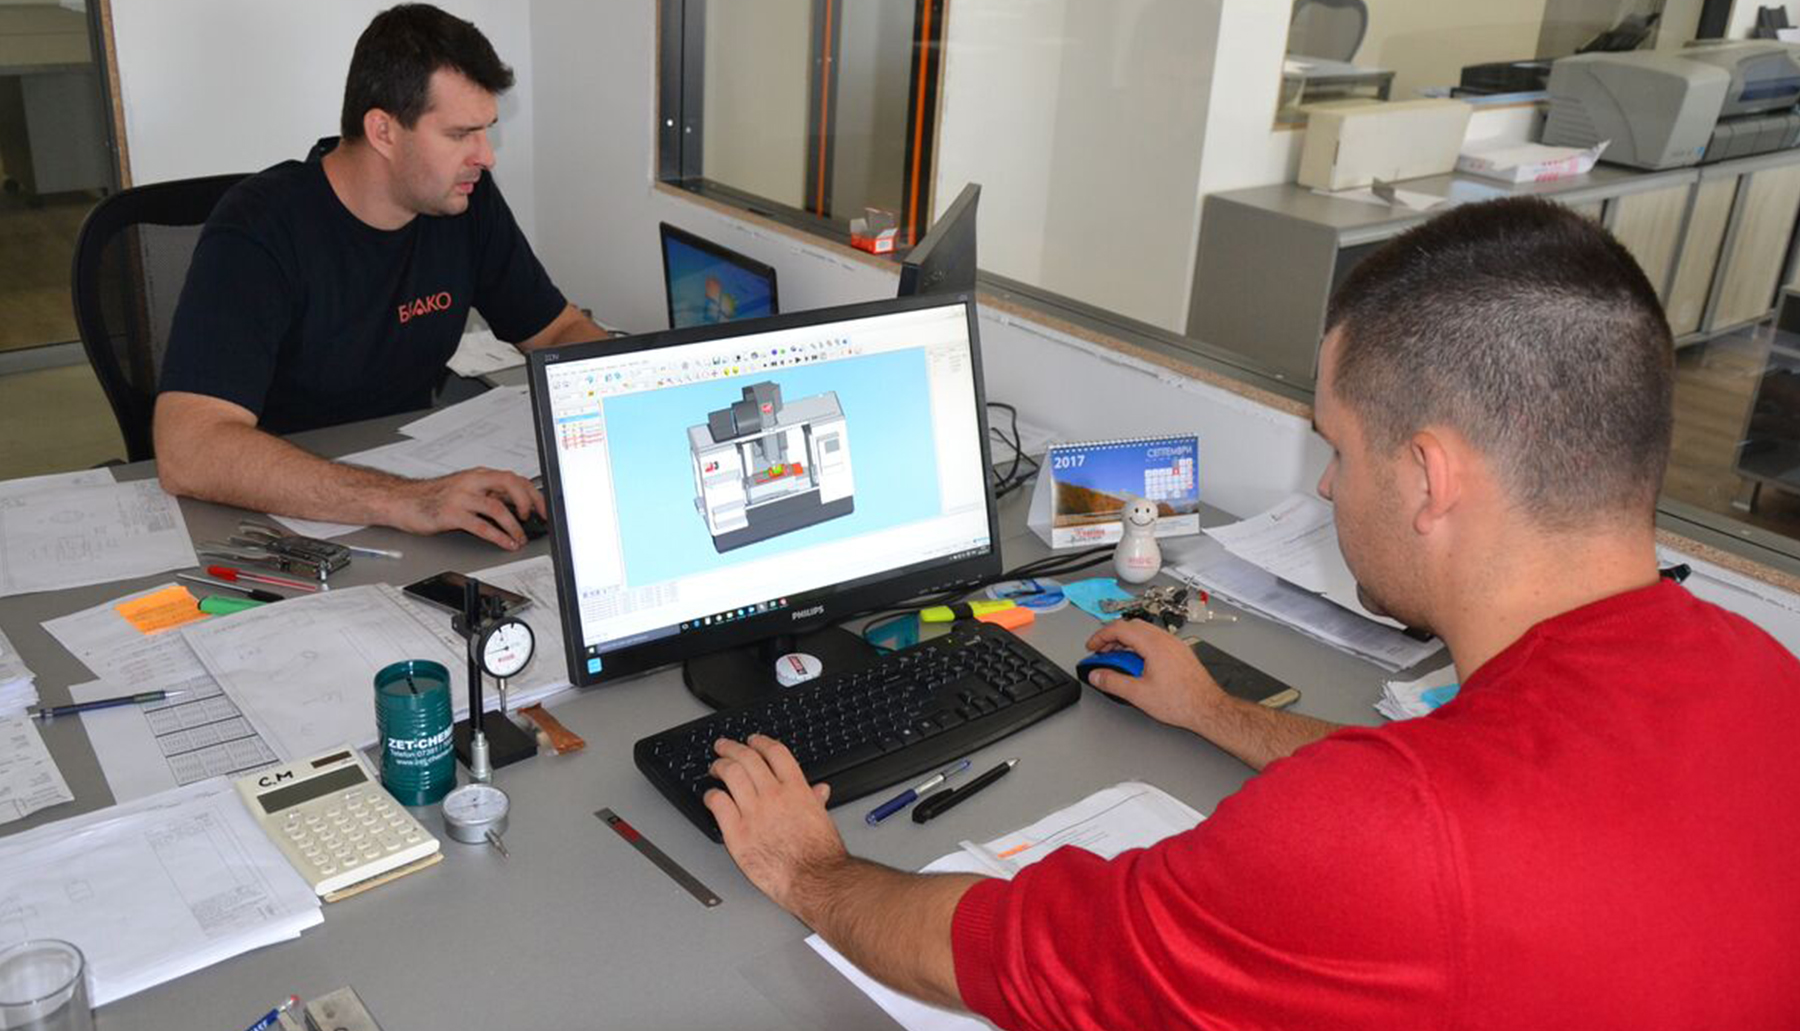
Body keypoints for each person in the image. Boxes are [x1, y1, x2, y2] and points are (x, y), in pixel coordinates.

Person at [703, 196, 1800, 1027]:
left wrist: (812, 870)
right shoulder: (1763, 678)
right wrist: (1218, 713)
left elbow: (1009, 953)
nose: (1327, 486)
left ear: (1430, 478)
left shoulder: (1379, 840)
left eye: (1340, 448)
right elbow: (1468, 787)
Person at [154, 3, 607, 548]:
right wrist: (406, 500)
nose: (485, 156)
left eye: (486, 131)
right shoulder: (260, 227)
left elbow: (557, 330)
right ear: (384, 131)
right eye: (461, 134)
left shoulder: (465, 203)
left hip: (408, 490)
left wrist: (637, 399)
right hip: (276, 520)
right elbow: (189, 449)